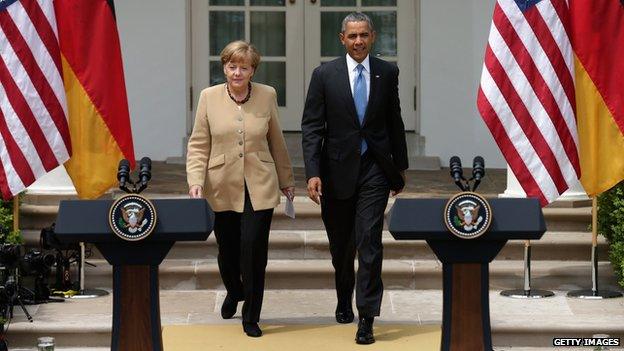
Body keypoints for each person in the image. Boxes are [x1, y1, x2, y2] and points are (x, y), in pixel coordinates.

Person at [301, 12, 408, 344]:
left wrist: (399, 169)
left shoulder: (387, 73)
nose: (358, 41)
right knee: (341, 247)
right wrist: (313, 172)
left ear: (372, 37)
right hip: (336, 171)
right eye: (353, 36)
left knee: (369, 241)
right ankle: (343, 292)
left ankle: (367, 317)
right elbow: (311, 127)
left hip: (374, 168)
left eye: (364, 35)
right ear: (342, 38)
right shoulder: (324, 75)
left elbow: (395, 120)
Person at [187, 40, 295, 338]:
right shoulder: (208, 97)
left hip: (260, 183)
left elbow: (276, 140)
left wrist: (287, 181)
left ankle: (252, 315)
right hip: (220, 184)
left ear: (252, 70)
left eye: (243, 67)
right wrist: (195, 180)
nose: (237, 72)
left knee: (254, 250)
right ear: (224, 67)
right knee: (228, 250)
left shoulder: (266, 95)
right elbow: (198, 144)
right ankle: (235, 291)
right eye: (232, 66)